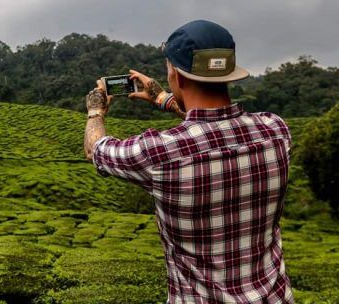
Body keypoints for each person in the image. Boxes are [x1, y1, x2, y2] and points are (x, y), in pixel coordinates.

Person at [83, 20, 294, 303]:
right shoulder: (276, 131)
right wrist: (163, 99)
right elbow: (217, 130)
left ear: (177, 76)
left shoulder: (158, 154)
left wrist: (96, 110)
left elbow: (96, 149)